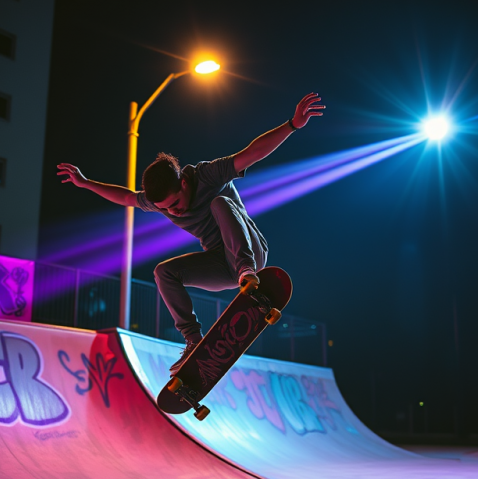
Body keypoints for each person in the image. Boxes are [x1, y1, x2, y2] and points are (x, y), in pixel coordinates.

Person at [57, 92, 324, 374]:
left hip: (251, 253)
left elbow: (251, 153)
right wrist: (86, 183)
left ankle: (248, 275)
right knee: (163, 272)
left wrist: (292, 125)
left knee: (220, 203)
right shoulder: (161, 202)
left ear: (184, 182)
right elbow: (126, 197)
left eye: (174, 204)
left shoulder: (208, 175)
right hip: (222, 266)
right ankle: (193, 341)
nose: (173, 212)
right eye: (165, 209)